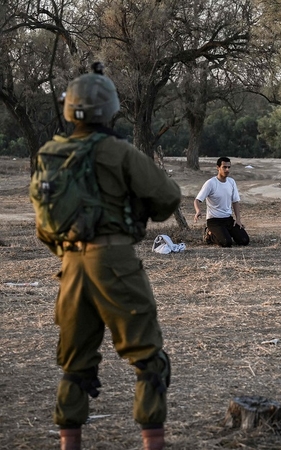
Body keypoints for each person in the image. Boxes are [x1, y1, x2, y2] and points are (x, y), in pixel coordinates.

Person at [38, 67, 180, 450]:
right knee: (149, 359)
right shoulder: (119, 151)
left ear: (69, 110)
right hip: (114, 260)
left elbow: (44, 223)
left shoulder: (50, 155)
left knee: (75, 364)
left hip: (70, 266)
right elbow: (167, 197)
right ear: (110, 110)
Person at [194, 157, 250, 247]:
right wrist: (198, 211)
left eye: (229, 167)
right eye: (224, 167)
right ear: (218, 167)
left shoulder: (231, 182)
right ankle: (210, 235)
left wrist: (238, 219)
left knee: (244, 241)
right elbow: (197, 200)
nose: (227, 170)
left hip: (228, 219)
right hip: (214, 221)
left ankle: (226, 232)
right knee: (226, 243)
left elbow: (235, 201)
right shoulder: (210, 183)